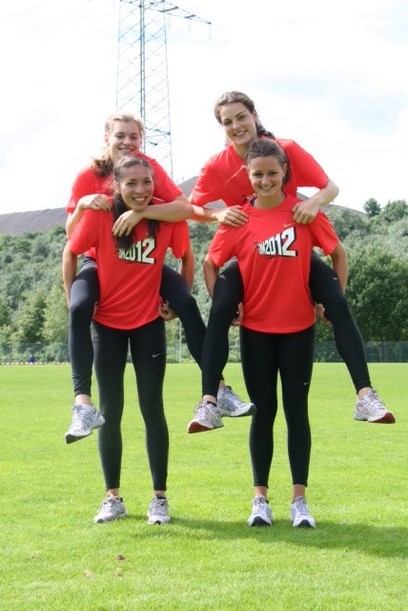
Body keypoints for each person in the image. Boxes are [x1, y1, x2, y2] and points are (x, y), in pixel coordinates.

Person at [188, 91, 395, 432]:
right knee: (222, 303)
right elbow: (191, 208)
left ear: (255, 115)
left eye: (241, 116)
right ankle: (211, 399)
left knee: (337, 301)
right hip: (250, 255)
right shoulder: (216, 166)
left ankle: (365, 394)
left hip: (293, 249)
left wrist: (313, 202)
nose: (236, 125)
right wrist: (218, 214)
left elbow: (330, 187)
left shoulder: (286, 149)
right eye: (227, 121)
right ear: (221, 128)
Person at [62, 113, 254, 444]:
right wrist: (81, 206)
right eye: (120, 135)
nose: (127, 142)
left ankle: (218, 390)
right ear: (107, 138)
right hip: (101, 258)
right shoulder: (89, 174)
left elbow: (184, 208)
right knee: (79, 307)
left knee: (186, 303)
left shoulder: (149, 168)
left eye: (134, 136)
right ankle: (82, 404)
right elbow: (71, 237)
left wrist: (141, 212)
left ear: (141, 139)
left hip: (146, 259)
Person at [204, 139, 348, 526]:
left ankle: (299, 501)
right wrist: (226, 306)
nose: (265, 180)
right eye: (258, 174)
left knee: (297, 413)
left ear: (285, 172)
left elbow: (338, 254)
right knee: (263, 414)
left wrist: (331, 301)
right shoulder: (239, 219)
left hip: (298, 330)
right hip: (256, 333)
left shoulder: (304, 212)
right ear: (247, 176)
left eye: (272, 173)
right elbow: (210, 263)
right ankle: (260, 501)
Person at [67, 156, 191, 524]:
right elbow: (70, 249)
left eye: (146, 182)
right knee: (111, 411)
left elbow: (186, 252)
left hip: (148, 324)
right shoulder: (101, 214)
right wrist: (70, 299)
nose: (140, 189)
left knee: (153, 409)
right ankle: (113, 497)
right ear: (116, 186)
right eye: (131, 183)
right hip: (107, 326)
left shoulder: (165, 215)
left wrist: (175, 302)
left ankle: (160, 499)